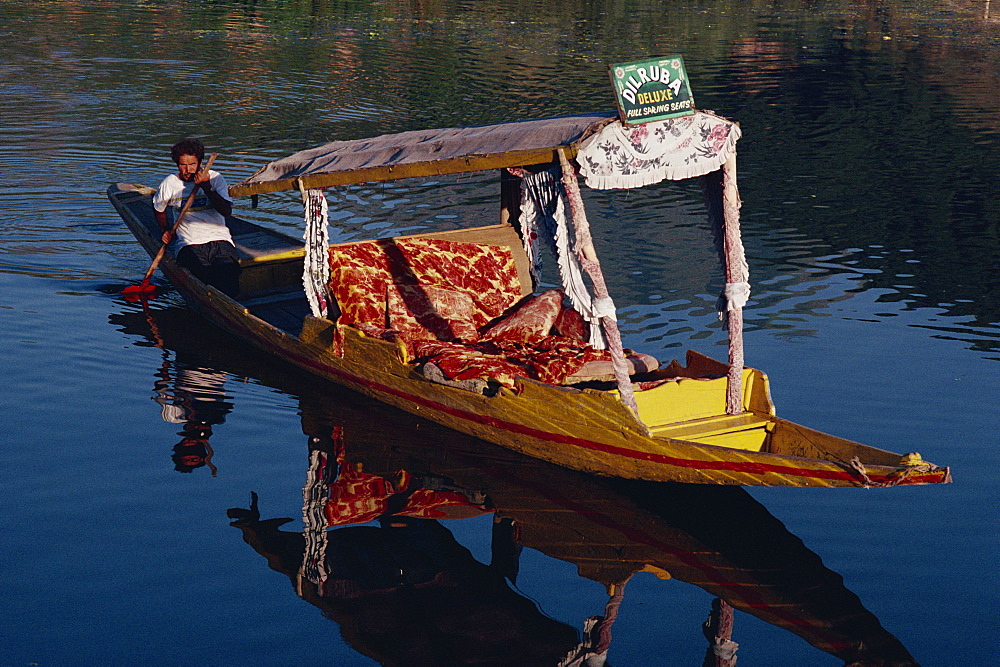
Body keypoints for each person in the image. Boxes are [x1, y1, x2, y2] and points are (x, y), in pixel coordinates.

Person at [152, 138, 241, 296]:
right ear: (177, 164)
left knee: (228, 274)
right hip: (189, 244)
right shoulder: (169, 184)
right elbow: (159, 209)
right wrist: (165, 230)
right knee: (204, 277)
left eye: (192, 164)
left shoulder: (215, 179)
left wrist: (207, 186)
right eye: (183, 165)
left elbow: (226, 211)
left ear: (200, 162)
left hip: (220, 240)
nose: (187, 170)